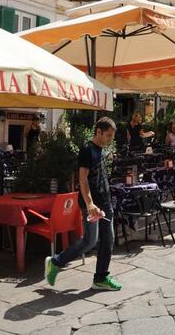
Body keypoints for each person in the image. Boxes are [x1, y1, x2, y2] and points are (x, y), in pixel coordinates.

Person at [45, 117, 121, 291]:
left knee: (106, 239)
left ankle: (100, 277)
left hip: (104, 203)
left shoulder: (100, 150)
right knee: (90, 241)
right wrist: (90, 204)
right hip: (93, 205)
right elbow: (83, 179)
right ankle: (56, 262)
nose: (110, 139)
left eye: (112, 136)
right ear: (99, 132)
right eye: (108, 136)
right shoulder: (87, 150)